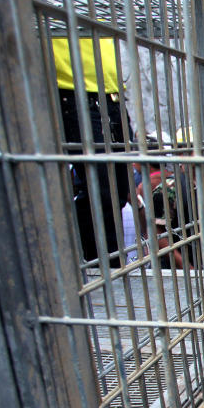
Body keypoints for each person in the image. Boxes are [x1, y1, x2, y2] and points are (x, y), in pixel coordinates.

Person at [53, 36, 133, 267]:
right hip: (73, 91)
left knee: (118, 190)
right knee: (103, 191)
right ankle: (103, 268)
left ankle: (106, 265)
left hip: (111, 94)